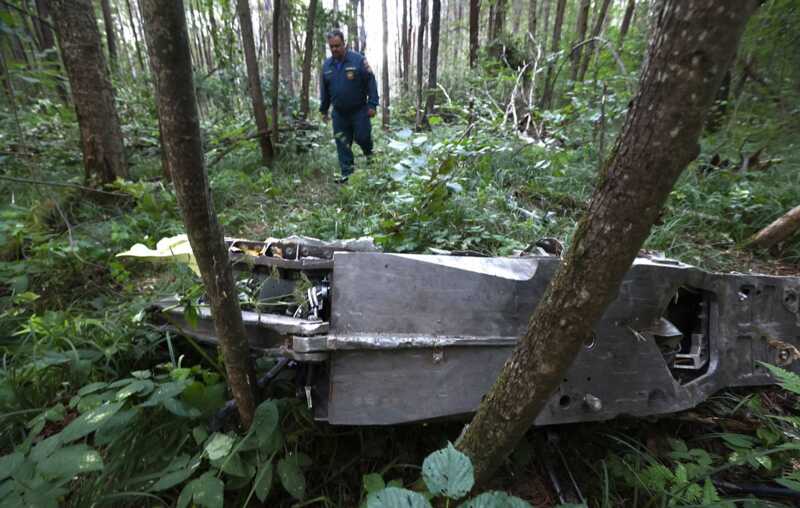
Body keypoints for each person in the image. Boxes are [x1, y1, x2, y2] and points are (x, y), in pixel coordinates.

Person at [319, 29, 379, 183]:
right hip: (339, 114)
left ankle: (370, 158)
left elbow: (371, 82)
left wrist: (372, 104)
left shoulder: (358, 60)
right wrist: (324, 110)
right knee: (342, 144)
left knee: (363, 137)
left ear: (344, 43)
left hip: (359, 110)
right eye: (331, 47)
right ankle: (347, 175)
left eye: (337, 46)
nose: (334, 49)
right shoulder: (326, 66)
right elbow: (324, 91)